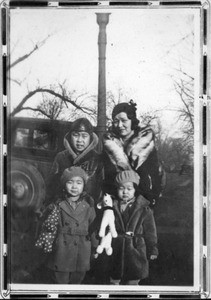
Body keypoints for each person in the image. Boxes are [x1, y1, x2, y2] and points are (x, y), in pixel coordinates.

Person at [36, 166, 98, 284]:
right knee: (60, 281)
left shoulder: (88, 206)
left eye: (79, 183)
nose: (74, 187)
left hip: (82, 249)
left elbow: (93, 228)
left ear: (84, 185)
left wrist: (96, 247)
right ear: (64, 184)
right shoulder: (56, 205)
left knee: (77, 280)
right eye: (70, 182)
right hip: (62, 249)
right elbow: (48, 227)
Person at [102, 100, 163, 207]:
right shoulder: (109, 144)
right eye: (116, 121)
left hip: (143, 198)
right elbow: (107, 177)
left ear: (132, 121)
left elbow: (155, 174)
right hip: (117, 200)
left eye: (123, 120)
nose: (119, 125)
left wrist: (153, 197)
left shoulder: (146, 142)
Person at [109, 170, 158, 285]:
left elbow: (151, 231)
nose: (125, 192)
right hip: (116, 247)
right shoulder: (111, 206)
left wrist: (153, 248)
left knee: (133, 278)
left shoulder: (144, 209)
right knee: (114, 279)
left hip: (136, 247)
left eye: (129, 189)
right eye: (121, 188)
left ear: (135, 190)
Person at [46, 118, 103, 205]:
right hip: (63, 208)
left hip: (88, 210)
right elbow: (51, 187)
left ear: (90, 138)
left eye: (84, 136)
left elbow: (100, 192)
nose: (79, 140)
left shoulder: (97, 160)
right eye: (76, 135)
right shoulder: (61, 157)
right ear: (70, 136)